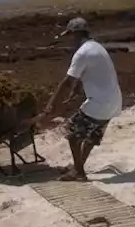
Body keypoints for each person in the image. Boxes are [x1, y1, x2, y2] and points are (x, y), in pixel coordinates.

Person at [35, 17, 123, 182]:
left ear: (75, 34)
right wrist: (76, 92)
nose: (69, 40)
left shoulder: (82, 53)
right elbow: (86, 75)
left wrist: (50, 106)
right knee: (90, 136)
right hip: (115, 102)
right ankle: (78, 166)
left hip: (100, 104)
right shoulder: (96, 47)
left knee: (72, 132)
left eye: (69, 35)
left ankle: (79, 172)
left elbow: (67, 82)